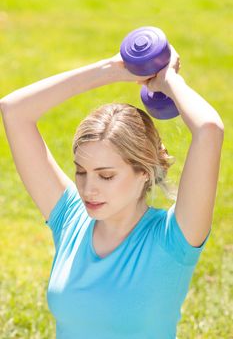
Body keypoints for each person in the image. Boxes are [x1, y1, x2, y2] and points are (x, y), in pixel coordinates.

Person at [0, 44, 224, 339]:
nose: (88, 189)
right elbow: (13, 110)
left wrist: (169, 80)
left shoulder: (174, 238)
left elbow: (209, 129)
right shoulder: (71, 219)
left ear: (143, 172)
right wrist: (112, 70)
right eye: (81, 172)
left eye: (106, 176)